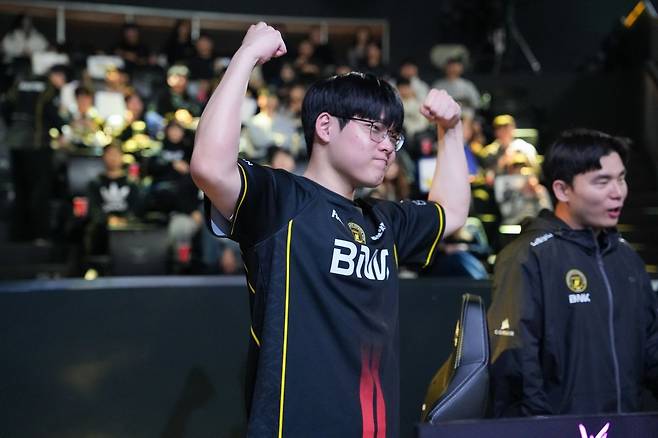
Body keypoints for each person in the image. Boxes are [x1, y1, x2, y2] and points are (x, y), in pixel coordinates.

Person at [191, 22, 469, 436]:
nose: (387, 146)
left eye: (393, 135)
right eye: (374, 128)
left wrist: (452, 130)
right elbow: (210, 167)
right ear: (325, 127)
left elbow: (453, 212)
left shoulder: (383, 222)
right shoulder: (282, 200)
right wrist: (246, 57)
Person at [487, 128, 658, 417]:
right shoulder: (527, 256)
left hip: (627, 426)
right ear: (562, 190)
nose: (617, 192)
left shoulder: (626, 257)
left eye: (621, 178)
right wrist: (543, 429)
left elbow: (651, 345)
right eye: (602, 181)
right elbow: (516, 363)